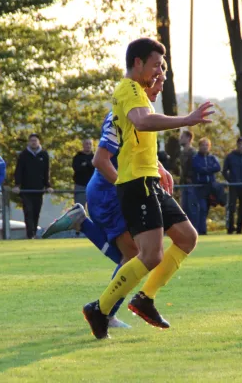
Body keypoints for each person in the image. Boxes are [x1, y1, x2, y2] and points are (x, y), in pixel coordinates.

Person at [81, 37, 214, 340]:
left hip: (147, 181)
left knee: (187, 238)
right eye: (155, 66)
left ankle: (145, 299)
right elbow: (141, 123)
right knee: (148, 255)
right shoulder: (127, 89)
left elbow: (136, 139)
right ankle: (99, 310)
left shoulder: (140, 93)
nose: (158, 74)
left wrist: (159, 167)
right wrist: (187, 119)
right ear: (137, 63)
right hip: (133, 185)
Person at [42, 72, 173, 329]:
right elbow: (100, 160)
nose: (159, 88)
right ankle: (105, 313)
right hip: (107, 193)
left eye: (163, 82)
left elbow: (135, 150)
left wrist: (159, 167)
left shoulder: (142, 112)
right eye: (156, 81)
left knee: (138, 257)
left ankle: (82, 224)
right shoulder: (119, 115)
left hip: (114, 192)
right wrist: (125, 190)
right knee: (136, 256)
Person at [12, 133, 53, 239]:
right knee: (28, 211)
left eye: (35, 140)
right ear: (29, 142)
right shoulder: (23, 155)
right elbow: (19, 170)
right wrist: (17, 185)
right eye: (31, 141)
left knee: (36, 212)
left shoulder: (44, 155)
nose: (33, 142)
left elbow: (46, 171)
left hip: (38, 189)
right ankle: (30, 234)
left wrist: (47, 185)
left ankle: (34, 233)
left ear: (38, 142)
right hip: (26, 189)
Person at [222, 137, 242, 234]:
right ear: (237, 144)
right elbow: (224, 171)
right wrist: (230, 180)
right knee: (232, 207)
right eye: (239, 144)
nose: (241, 146)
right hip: (234, 186)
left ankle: (240, 228)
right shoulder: (230, 156)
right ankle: (230, 228)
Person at [191, 137, 221, 235]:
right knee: (202, 208)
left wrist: (206, 169)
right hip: (201, 187)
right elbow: (198, 169)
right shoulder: (196, 158)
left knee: (207, 208)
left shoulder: (212, 158)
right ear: (199, 146)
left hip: (210, 187)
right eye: (203, 145)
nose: (205, 147)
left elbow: (217, 167)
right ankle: (201, 231)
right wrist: (209, 169)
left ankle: (203, 229)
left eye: (207, 145)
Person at [178, 130, 198, 224]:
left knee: (191, 208)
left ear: (188, 138)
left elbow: (193, 168)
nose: (180, 139)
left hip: (191, 184)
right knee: (184, 208)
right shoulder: (182, 153)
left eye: (182, 137)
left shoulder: (193, 153)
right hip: (183, 184)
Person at [72, 138, 95, 207]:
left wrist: (86, 164)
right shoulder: (77, 157)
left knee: (94, 207)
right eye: (86, 144)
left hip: (93, 185)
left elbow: (97, 169)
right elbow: (76, 168)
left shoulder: (95, 157)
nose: (88, 145)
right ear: (83, 145)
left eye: (90, 144)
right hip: (80, 185)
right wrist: (89, 165)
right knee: (79, 208)